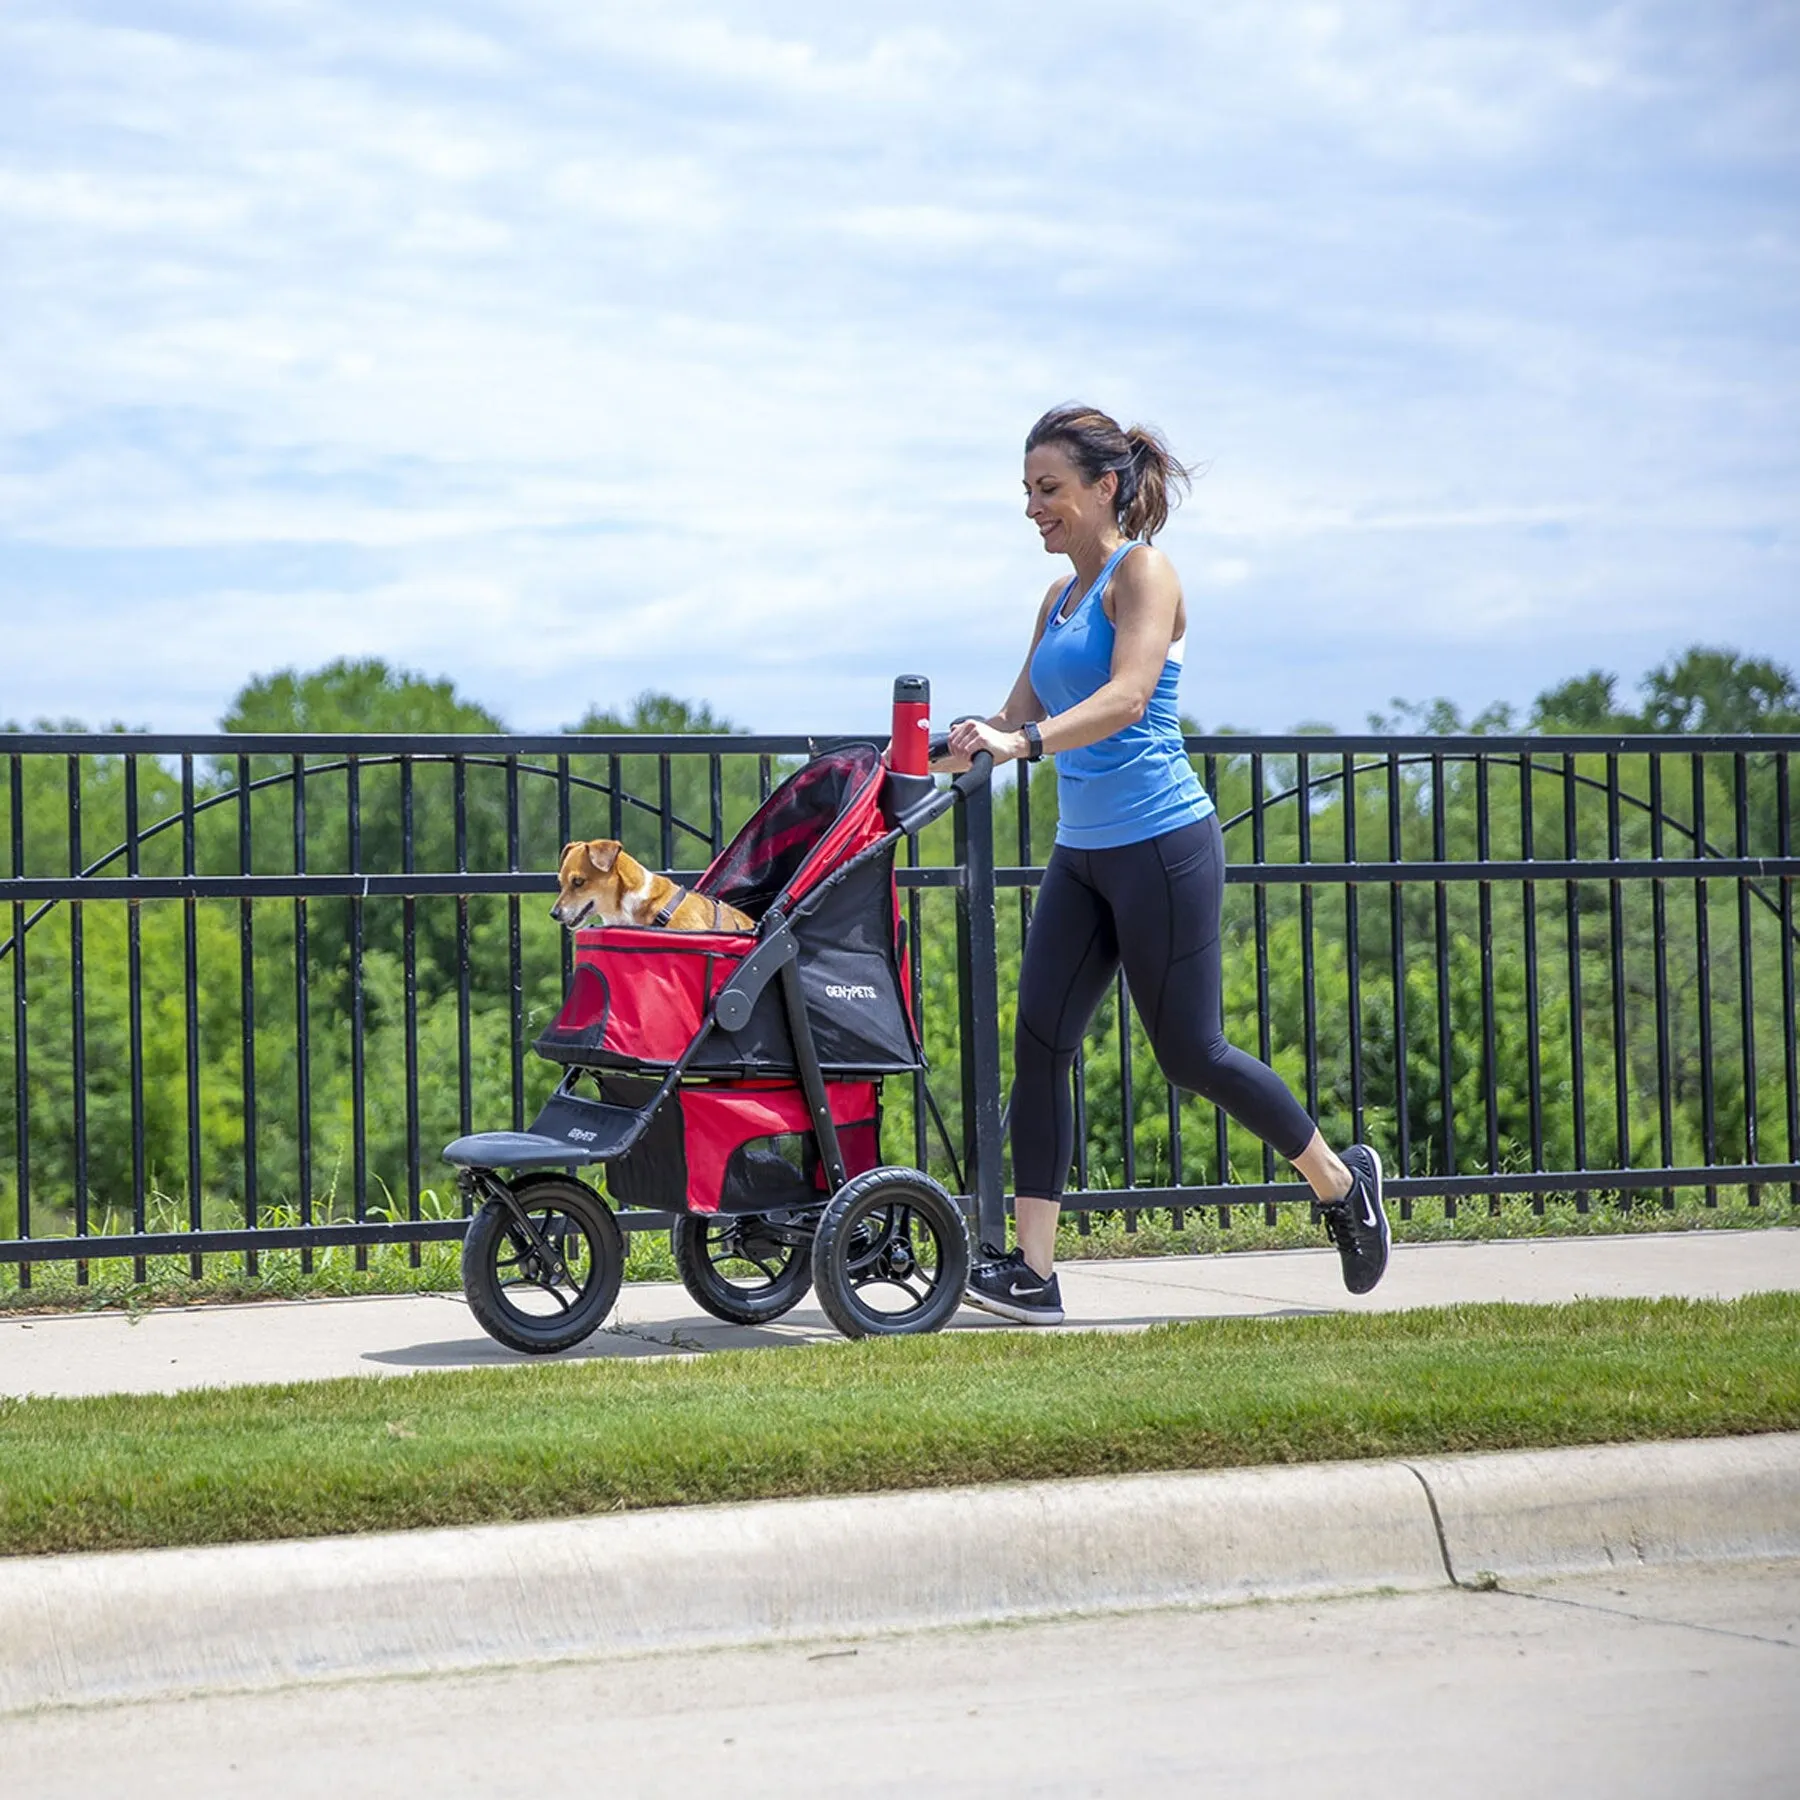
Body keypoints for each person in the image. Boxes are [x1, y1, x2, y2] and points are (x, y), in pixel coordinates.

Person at [937, 402, 1389, 1325]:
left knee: (1189, 1051)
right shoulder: (1056, 601)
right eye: (1026, 491)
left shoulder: (1141, 573)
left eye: (1049, 488)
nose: (1033, 507)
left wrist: (1020, 741)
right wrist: (956, 745)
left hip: (1161, 843)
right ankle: (1034, 1272)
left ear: (1105, 487)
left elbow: (1130, 696)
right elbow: (1014, 711)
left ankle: (1341, 1185)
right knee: (1039, 1045)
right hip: (1083, 852)